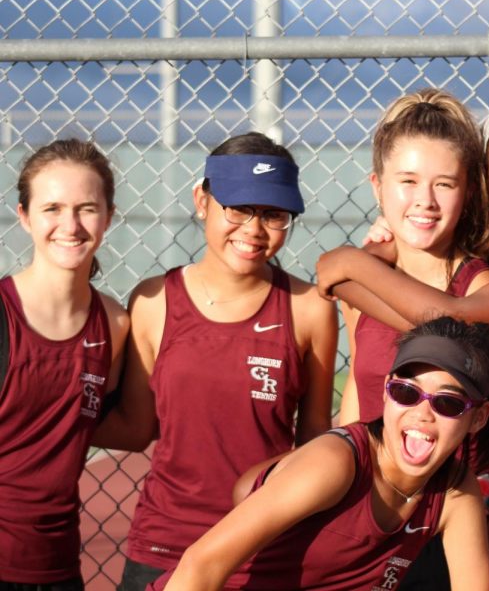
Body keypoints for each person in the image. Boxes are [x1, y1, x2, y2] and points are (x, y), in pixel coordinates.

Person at [317, 96, 489, 590]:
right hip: (383, 501)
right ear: (377, 188)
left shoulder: (487, 296)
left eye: (443, 184)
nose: (424, 201)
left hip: (455, 507)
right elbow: (361, 400)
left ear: (468, 192)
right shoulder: (364, 280)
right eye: (407, 181)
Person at [93, 132, 338, 590]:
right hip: (165, 545)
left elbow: (315, 440)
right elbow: (134, 427)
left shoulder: (310, 309)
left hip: (261, 544)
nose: (254, 229)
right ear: (202, 201)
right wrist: (43, 411)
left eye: (274, 214)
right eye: (239, 208)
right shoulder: (152, 301)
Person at [150, 316, 489, 590]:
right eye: (407, 392)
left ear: (478, 417)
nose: (421, 412)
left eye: (448, 402)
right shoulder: (338, 462)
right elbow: (201, 566)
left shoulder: (454, 491)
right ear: (388, 391)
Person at [0, 139, 129, 589]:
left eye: (87, 208)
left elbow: (122, 426)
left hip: (58, 568)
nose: (70, 225)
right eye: (52, 207)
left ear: (109, 216)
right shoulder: (4, 313)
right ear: (24, 216)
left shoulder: (114, 322)